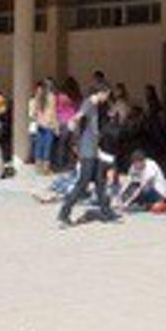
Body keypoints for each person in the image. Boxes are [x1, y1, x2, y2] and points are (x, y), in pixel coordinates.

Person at [58, 83, 120, 227]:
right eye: (107, 95)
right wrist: (72, 123)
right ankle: (64, 213)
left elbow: (91, 128)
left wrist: (97, 147)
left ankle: (106, 211)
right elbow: (79, 116)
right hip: (87, 150)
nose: (107, 98)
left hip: (93, 148)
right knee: (83, 182)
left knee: (100, 180)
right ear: (101, 93)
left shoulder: (94, 104)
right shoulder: (90, 103)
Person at [29, 80, 58, 174]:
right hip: (48, 123)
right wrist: (55, 125)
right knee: (47, 146)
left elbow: (34, 112)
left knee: (39, 145)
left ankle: (38, 167)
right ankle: (46, 169)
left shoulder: (38, 96)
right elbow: (53, 112)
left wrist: (38, 119)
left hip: (39, 124)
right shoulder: (52, 97)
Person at [54, 77, 81, 171]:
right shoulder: (77, 96)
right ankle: (71, 164)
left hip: (62, 121)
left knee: (61, 144)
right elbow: (78, 109)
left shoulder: (60, 96)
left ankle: (59, 164)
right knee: (72, 145)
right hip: (73, 122)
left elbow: (56, 109)